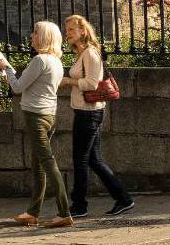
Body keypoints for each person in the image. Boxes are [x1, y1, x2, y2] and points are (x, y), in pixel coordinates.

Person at [0, 20, 71, 229]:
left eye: (35, 33)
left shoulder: (39, 60)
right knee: (38, 165)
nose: (31, 36)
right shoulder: (56, 61)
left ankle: (64, 213)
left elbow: (18, 87)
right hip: (49, 115)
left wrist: (6, 69)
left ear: (45, 37)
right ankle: (32, 212)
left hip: (36, 117)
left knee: (47, 162)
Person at [60, 14, 134, 217]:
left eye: (71, 30)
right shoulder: (82, 53)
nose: (67, 34)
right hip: (86, 111)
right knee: (93, 159)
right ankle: (123, 199)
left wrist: (68, 81)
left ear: (83, 31)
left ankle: (79, 206)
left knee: (81, 160)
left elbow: (92, 84)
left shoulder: (90, 54)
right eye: (67, 30)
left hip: (89, 113)